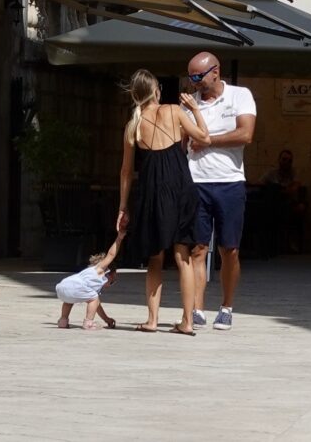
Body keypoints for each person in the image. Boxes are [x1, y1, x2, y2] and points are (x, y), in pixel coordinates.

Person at [115, 68, 205, 334]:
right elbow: (205, 137)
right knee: (183, 256)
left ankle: (152, 320)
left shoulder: (133, 125)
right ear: (156, 90)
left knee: (155, 257)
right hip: (180, 187)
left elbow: (126, 172)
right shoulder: (175, 111)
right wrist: (196, 110)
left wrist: (122, 207)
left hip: (152, 191)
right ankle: (187, 322)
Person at [179, 50, 258, 329]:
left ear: (216, 71)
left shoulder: (240, 95)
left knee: (229, 250)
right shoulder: (190, 104)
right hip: (196, 181)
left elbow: (245, 134)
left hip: (229, 182)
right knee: (197, 249)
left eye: (199, 76)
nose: (195, 82)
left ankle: (226, 306)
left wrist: (208, 141)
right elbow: (183, 142)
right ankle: (198, 309)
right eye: (191, 78)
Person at [54, 228, 121, 330]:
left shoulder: (89, 279)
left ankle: (63, 321)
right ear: (109, 273)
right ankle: (88, 323)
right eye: (112, 282)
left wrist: (107, 319)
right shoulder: (100, 269)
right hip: (76, 286)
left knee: (69, 300)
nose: (110, 285)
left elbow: (97, 307)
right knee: (93, 298)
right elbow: (111, 255)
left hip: (62, 286)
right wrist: (119, 238)